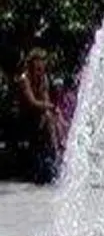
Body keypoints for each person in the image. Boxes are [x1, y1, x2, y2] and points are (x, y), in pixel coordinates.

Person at [14, 49, 60, 183]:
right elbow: (32, 102)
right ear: (31, 66)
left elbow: (45, 99)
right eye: (37, 68)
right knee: (47, 116)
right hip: (25, 116)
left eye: (42, 68)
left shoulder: (43, 79)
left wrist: (51, 109)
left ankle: (56, 153)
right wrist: (49, 107)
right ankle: (55, 153)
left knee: (51, 117)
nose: (40, 71)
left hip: (39, 115)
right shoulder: (24, 79)